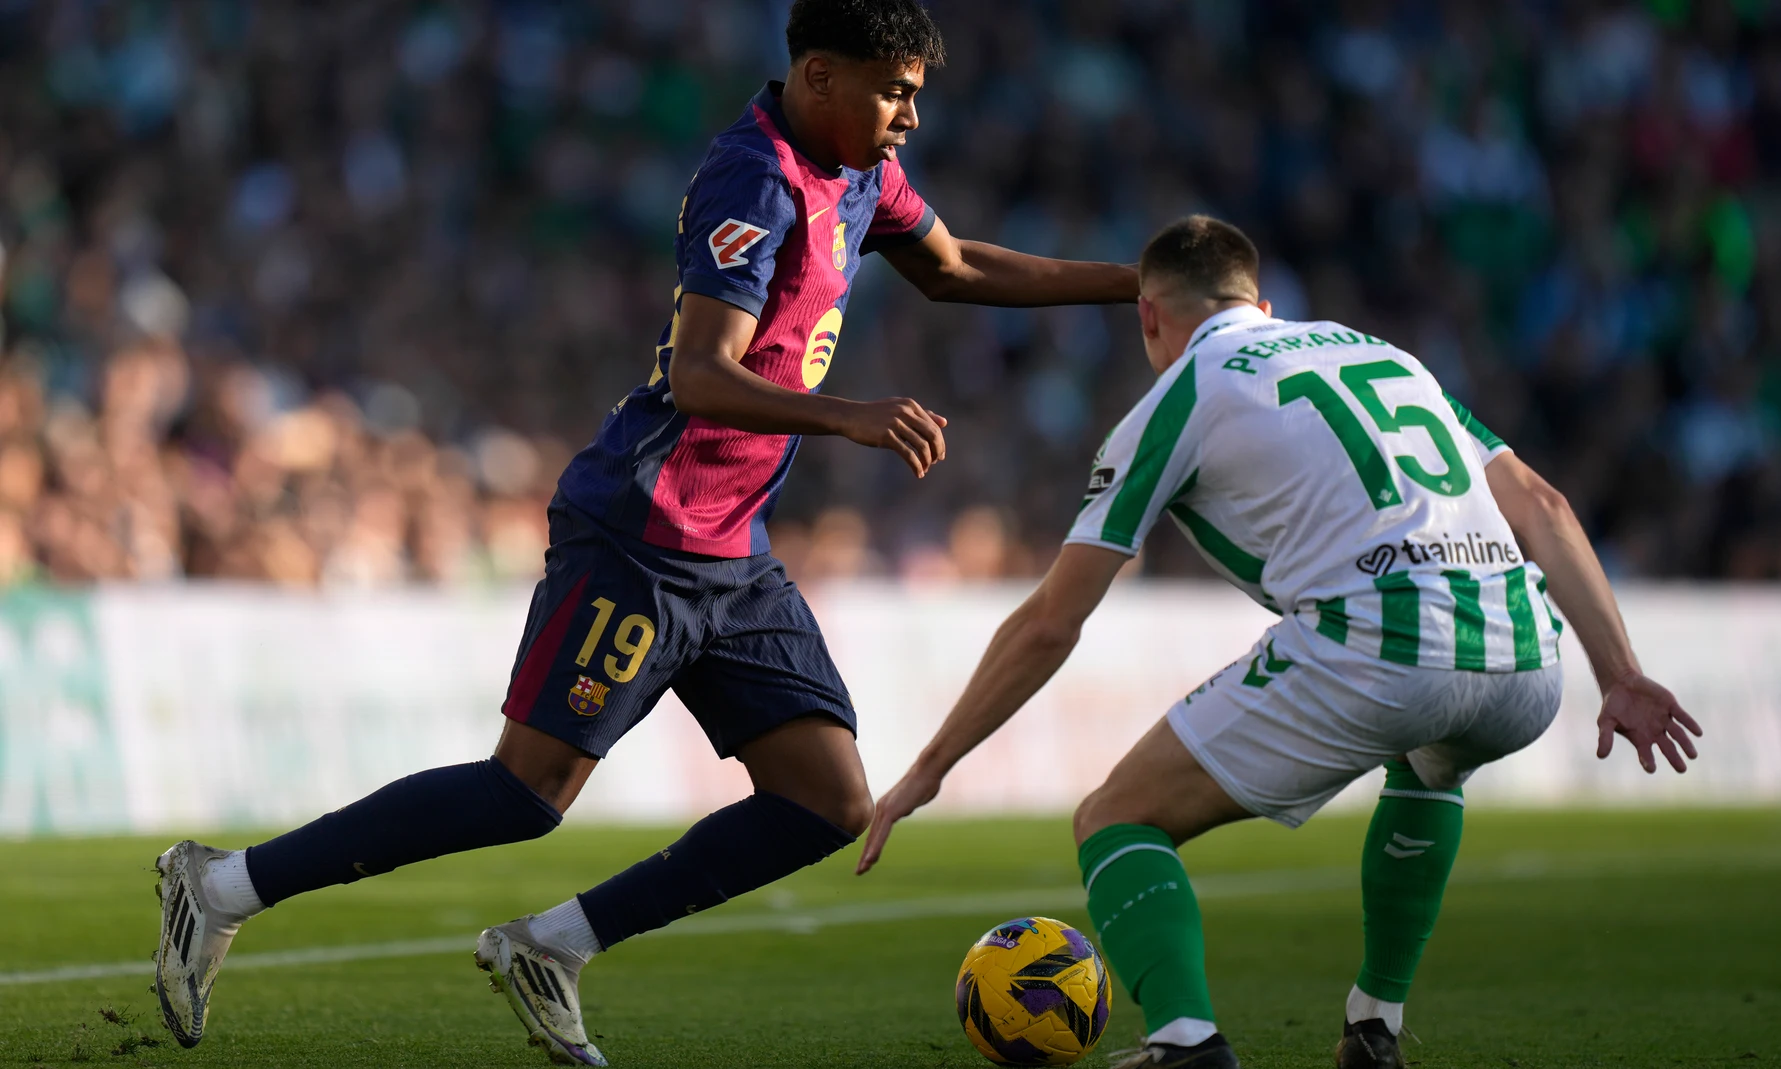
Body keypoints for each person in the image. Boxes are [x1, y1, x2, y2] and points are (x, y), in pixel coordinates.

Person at [152, 2, 1138, 1063]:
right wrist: (848, 415)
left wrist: (1139, 286)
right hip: (644, 529)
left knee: (827, 798)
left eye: (914, 96)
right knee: (524, 794)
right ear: (819, 76)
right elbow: (702, 373)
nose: (909, 117)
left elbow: (952, 267)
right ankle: (222, 884)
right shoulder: (753, 179)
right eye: (894, 93)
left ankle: (553, 944)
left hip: (733, 549)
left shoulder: (859, 172)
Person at [856, 216, 1702, 1069]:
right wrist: (1620, 674)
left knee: (1116, 817)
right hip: (1525, 654)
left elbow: (1051, 620)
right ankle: (1374, 1023)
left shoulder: (1180, 396)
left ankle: (1185, 1040)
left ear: (1147, 315)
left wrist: (932, 762)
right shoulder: (1386, 357)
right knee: (1430, 764)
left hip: (1381, 646)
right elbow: (1544, 507)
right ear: (1262, 305)